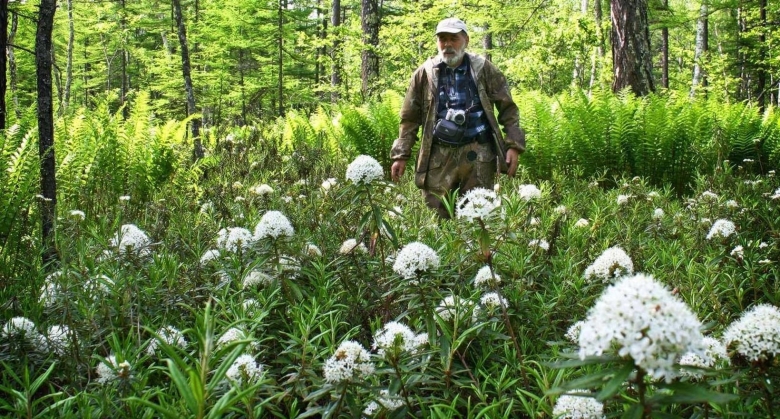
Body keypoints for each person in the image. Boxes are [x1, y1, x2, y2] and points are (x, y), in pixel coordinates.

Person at [389, 17, 525, 218]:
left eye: (454, 38)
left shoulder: (483, 69)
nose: (447, 45)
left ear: (466, 40)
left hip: (478, 155)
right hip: (438, 157)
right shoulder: (424, 74)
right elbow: (409, 118)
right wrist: (400, 155)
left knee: (479, 220)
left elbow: (508, 109)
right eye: (443, 39)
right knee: (437, 221)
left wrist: (513, 145)